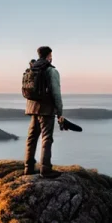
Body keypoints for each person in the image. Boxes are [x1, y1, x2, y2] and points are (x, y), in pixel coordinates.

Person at [24, 45, 64, 177]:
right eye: (51, 55)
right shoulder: (50, 71)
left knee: (31, 138)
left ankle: (28, 168)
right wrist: (60, 112)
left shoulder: (32, 68)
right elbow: (56, 93)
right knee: (46, 138)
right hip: (46, 110)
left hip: (32, 107)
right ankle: (45, 169)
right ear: (49, 56)